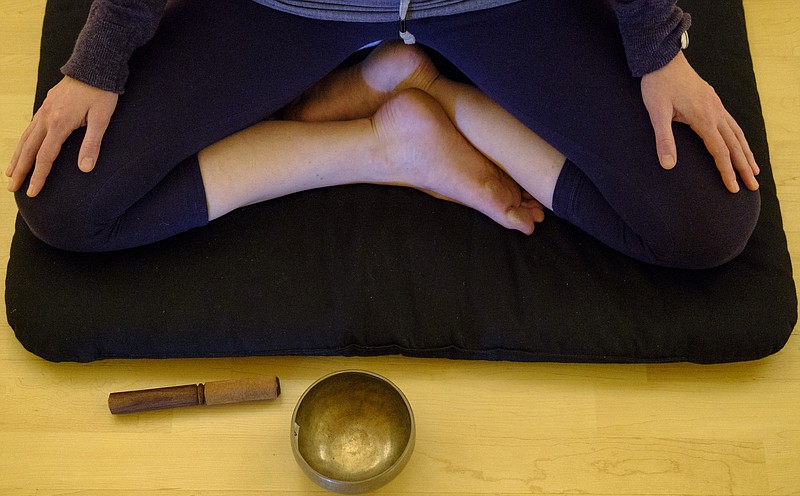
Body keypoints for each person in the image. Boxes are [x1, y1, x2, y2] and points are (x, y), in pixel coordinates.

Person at [5, 0, 760, 269]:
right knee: (68, 199)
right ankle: (382, 143)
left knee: (701, 220)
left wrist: (654, 44)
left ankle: (438, 97)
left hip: (494, 5)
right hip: (292, 8)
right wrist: (103, 55)